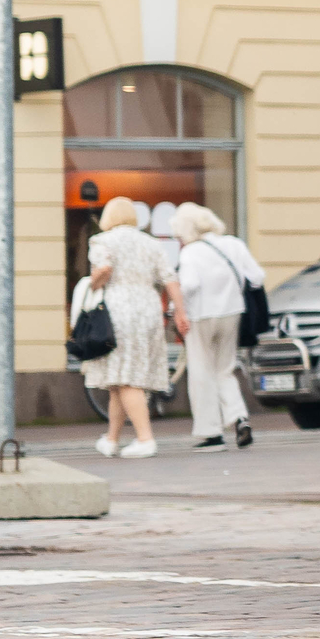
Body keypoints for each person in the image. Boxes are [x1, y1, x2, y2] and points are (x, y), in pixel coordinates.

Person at [83, 194, 188, 459]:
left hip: (119, 309)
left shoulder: (101, 240)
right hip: (149, 308)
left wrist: (92, 284)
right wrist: (180, 312)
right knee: (120, 378)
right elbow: (169, 278)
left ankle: (145, 438)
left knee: (126, 379)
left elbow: (104, 269)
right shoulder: (151, 243)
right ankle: (111, 438)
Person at [173, 203, 263, 450]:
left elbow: (189, 286)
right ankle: (239, 417)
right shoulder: (233, 244)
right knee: (225, 369)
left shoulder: (191, 252)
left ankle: (210, 433)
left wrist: (177, 310)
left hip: (200, 315)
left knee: (201, 371)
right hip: (232, 313)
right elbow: (256, 277)